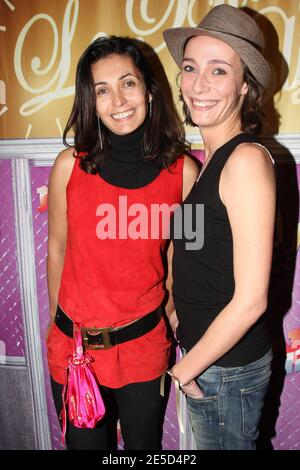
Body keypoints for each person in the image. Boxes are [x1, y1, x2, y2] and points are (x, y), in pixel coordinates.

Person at [46, 35, 199, 450]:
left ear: (149, 89)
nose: (118, 99)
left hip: (143, 350)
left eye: (127, 83)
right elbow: (57, 250)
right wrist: (64, 325)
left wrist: (164, 316)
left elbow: (186, 260)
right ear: (90, 101)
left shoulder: (185, 173)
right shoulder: (68, 168)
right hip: (76, 354)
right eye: (102, 89)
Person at [163, 4, 276, 450]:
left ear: (246, 84)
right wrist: (175, 314)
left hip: (225, 369)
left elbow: (251, 301)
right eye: (191, 68)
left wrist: (183, 372)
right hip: (206, 354)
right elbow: (200, 255)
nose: (198, 84)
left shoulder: (245, 161)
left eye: (218, 70)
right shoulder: (210, 162)